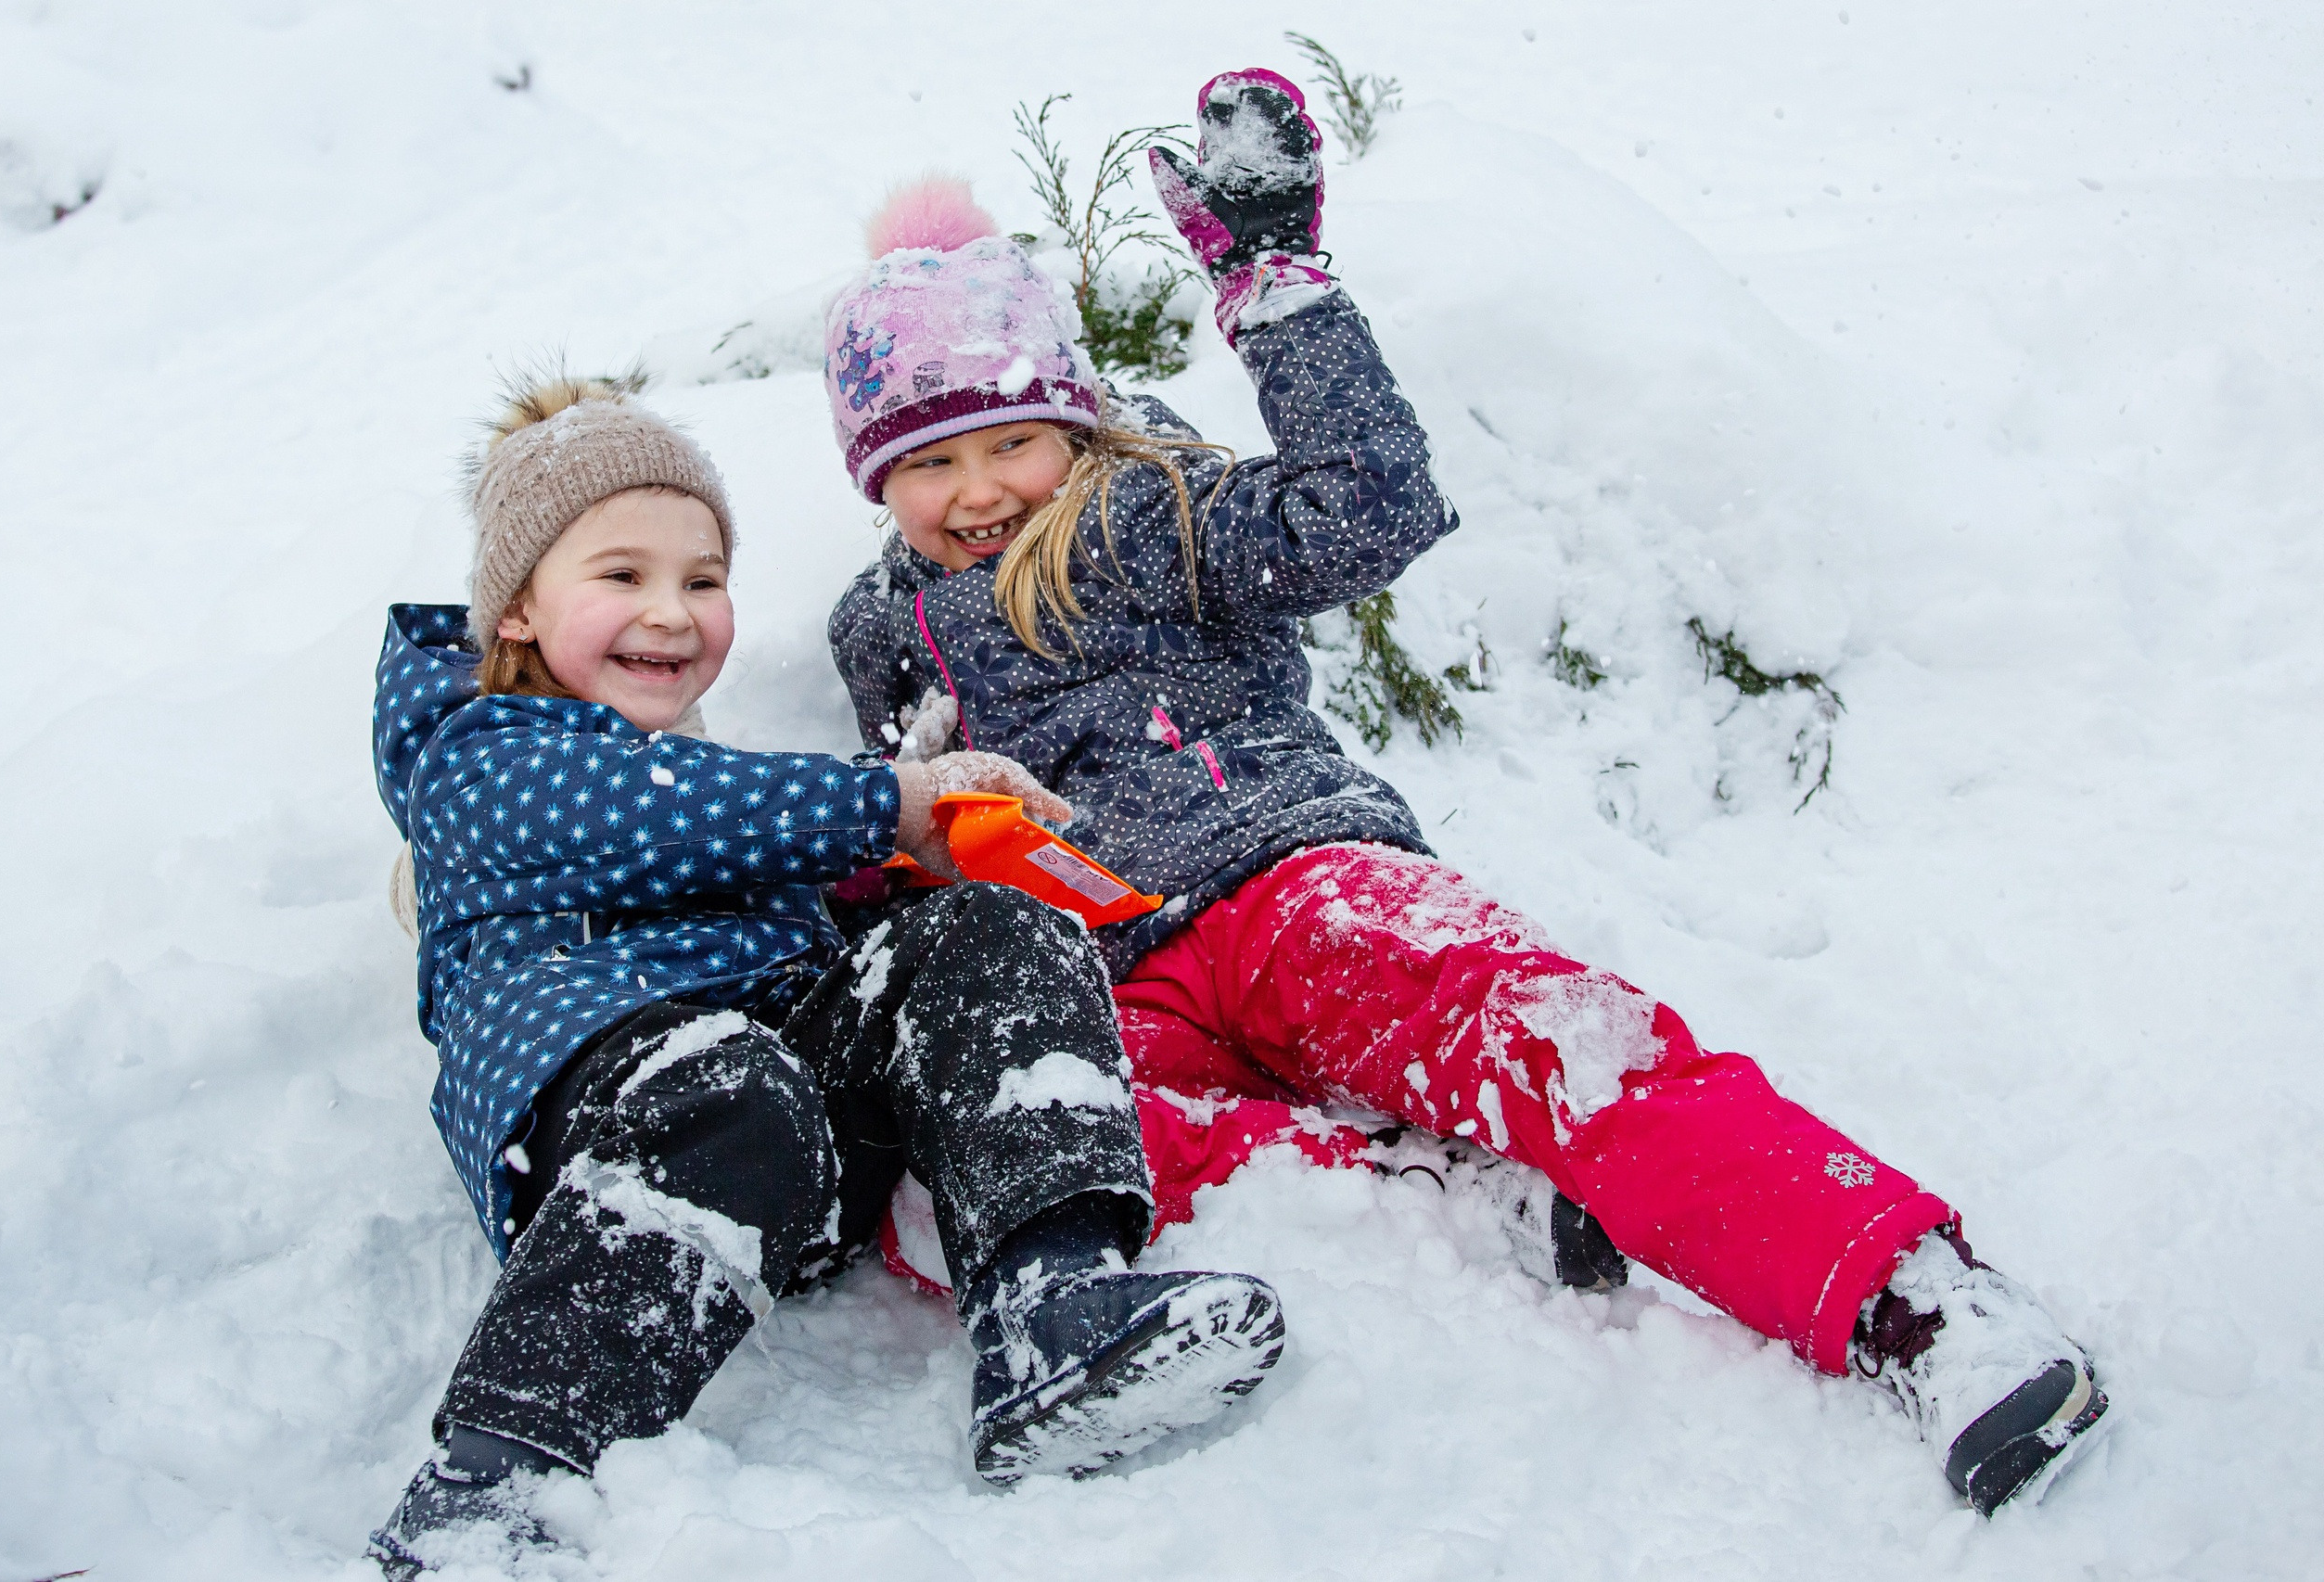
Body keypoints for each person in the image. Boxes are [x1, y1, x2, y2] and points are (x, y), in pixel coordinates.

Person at [823, 72, 2113, 1518]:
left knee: (1563, 1046)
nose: (981, 487)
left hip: (1292, 882)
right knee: (967, 1181)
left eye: (1012, 439)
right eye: (930, 459)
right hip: (1114, 973)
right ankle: (1449, 1188)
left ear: (1073, 422)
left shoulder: (1153, 514)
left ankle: (1913, 1297)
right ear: (875, 474)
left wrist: (1278, 290)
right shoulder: (876, 632)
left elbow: (1370, 502)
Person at [365, 376, 1288, 1576]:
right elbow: (650, 813)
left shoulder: (712, 784)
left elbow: (751, 846)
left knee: (982, 933)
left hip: (798, 1144)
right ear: (519, 613)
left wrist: (931, 857)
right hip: (620, 1135)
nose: (674, 610)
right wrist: (884, 806)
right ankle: (499, 1476)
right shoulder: (480, 755)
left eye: (702, 579)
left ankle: (1054, 1302)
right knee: (725, 1076)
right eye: (622, 575)